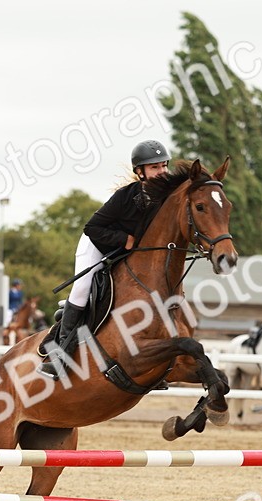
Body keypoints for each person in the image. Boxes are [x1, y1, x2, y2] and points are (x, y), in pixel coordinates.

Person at [38, 139, 171, 379]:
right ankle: (59, 355)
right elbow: (92, 227)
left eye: (164, 166)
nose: (162, 172)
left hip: (130, 254)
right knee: (81, 289)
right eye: (155, 168)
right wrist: (125, 239)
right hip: (97, 244)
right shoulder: (125, 197)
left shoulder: (168, 196)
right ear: (140, 172)